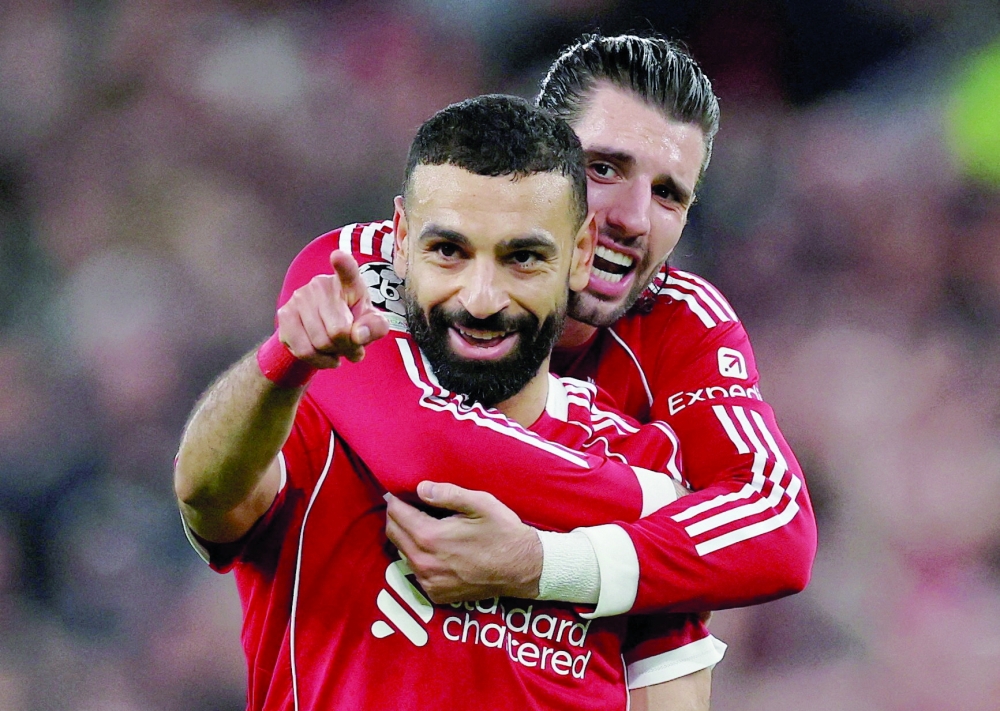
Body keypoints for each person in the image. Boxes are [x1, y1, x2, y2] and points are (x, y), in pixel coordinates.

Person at [281, 33, 817, 708]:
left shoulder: (681, 324)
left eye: (669, 195)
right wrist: (663, 499)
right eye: (604, 168)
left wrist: (546, 565)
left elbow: (782, 531)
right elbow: (429, 448)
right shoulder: (372, 265)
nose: (631, 218)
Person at [175, 95, 722, 711]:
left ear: (582, 254)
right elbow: (207, 495)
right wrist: (279, 364)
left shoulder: (640, 455)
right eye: (449, 251)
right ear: (402, 241)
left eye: (522, 258)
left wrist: (545, 561)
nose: (482, 298)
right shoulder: (325, 417)